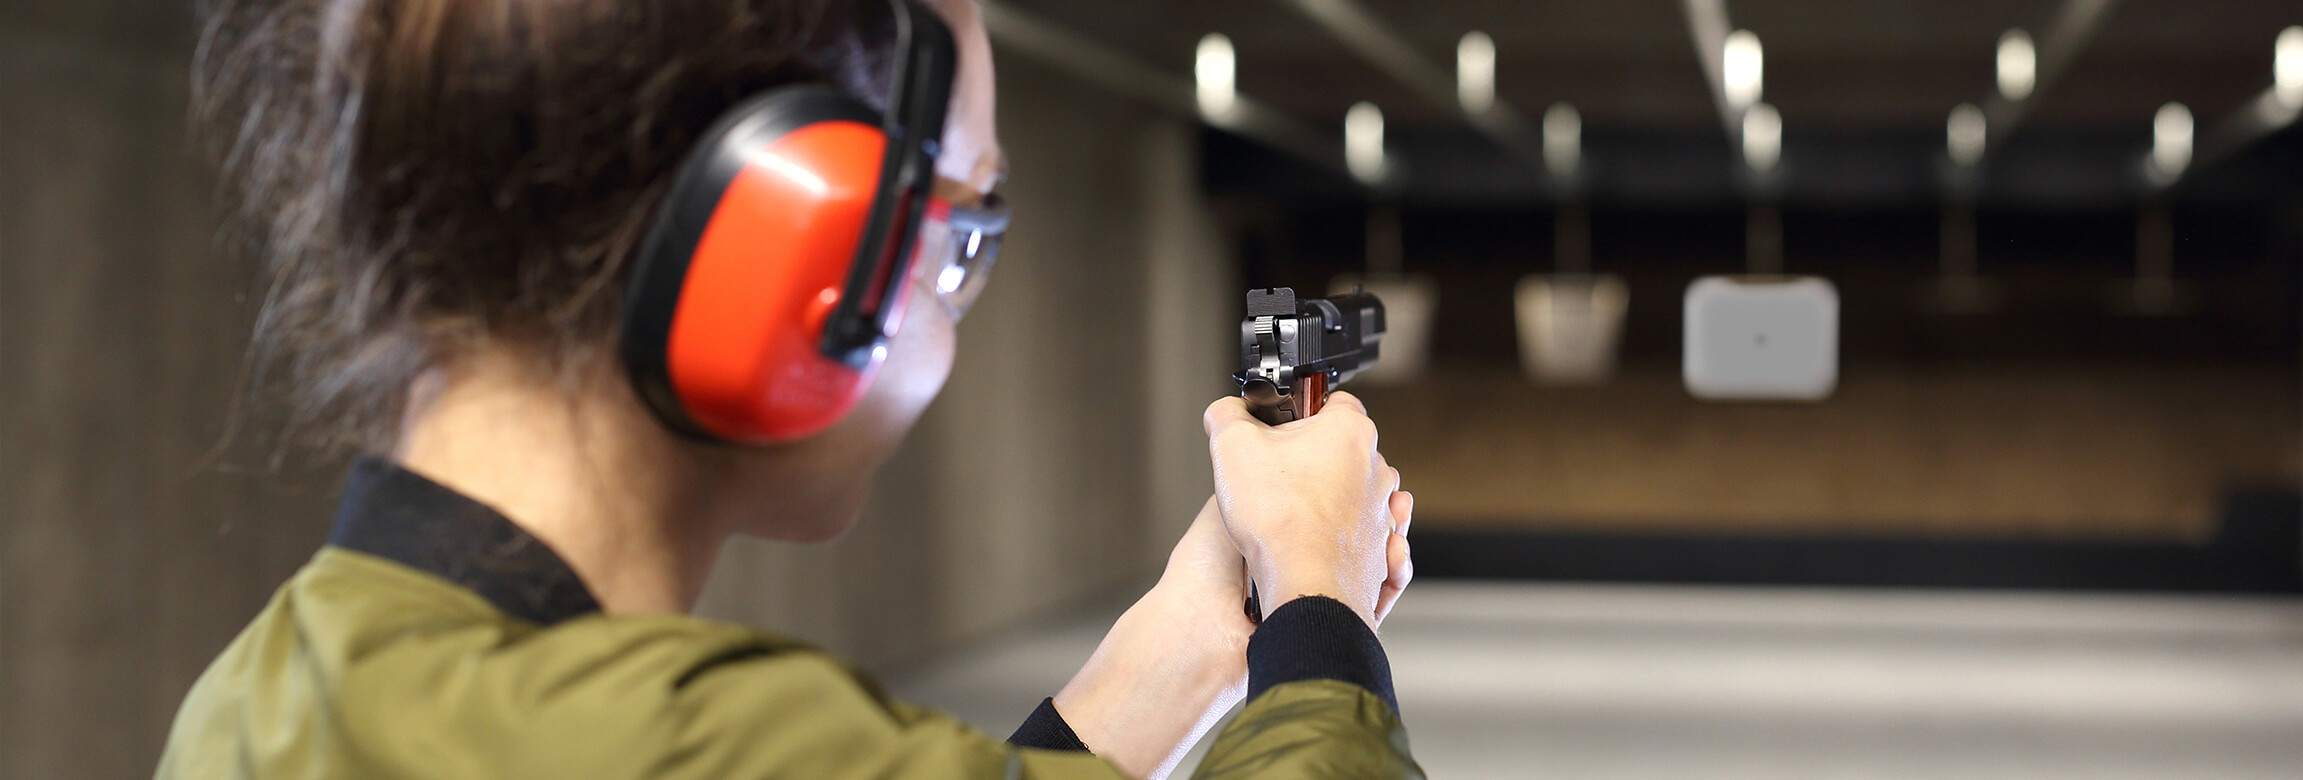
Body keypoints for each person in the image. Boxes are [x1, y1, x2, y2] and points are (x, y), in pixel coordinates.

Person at [158, 0, 1421, 777]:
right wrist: (1318, 604)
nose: (955, 293)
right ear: (803, 237)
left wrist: (1180, 660)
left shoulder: (267, 690)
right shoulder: (715, 746)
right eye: (959, 231)